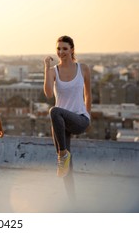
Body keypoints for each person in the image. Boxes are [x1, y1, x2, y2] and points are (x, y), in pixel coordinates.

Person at [43, 35, 91, 178]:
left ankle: (63, 154)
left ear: (72, 50)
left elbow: (88, 94)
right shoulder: (53, 71)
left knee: (54, 111)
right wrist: (46, 69)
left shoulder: (83, 68)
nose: (61, 52)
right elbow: (49, 94)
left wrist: (89, 116)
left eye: (65, 48)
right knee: (65, 169)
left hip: (80, 118)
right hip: (60, 124)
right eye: (58, 48)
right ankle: (72, 199)